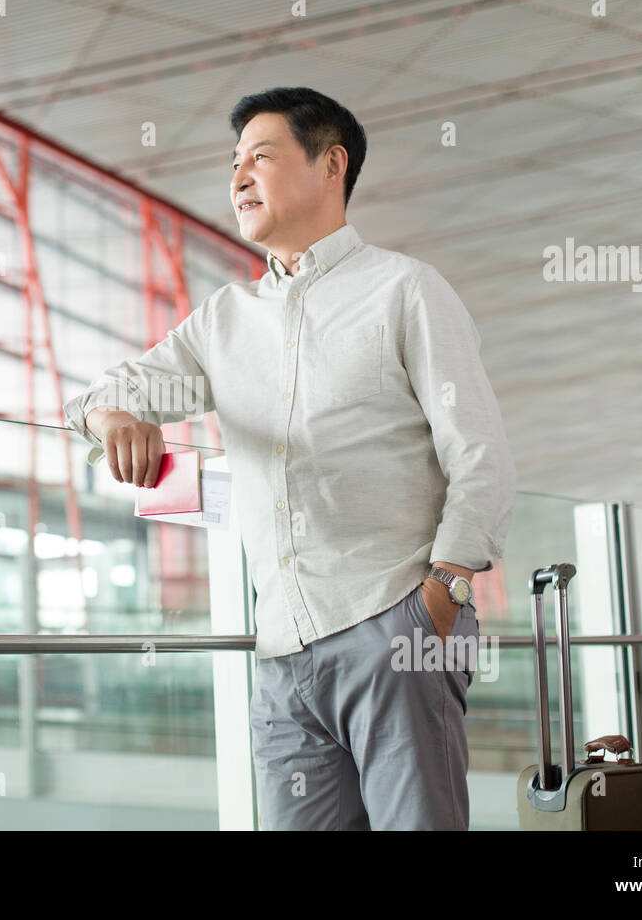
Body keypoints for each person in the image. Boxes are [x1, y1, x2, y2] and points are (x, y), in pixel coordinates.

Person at [62, 87, 516, 830]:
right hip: (282, 656)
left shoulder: (404, 290)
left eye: (261, 158)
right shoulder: (226, 320)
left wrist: (445, 590)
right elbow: (105, 394)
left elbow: (481, 453)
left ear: (331, 164)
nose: (238, 177)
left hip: (395, 623)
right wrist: (114, 415)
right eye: (234, 163)